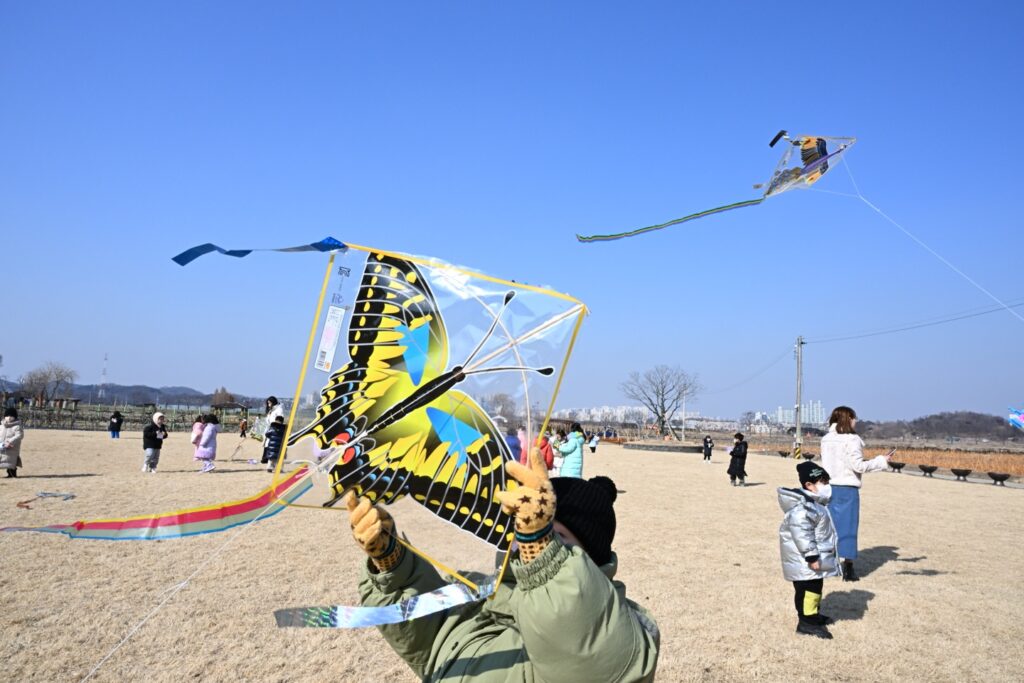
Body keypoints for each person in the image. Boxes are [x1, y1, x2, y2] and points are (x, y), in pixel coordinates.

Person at [346, 448, 660, 681]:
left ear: (589, 559)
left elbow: (589, 653)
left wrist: (545, 555)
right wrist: (391, 563)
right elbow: (430, 638)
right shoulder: (484, 594)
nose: (529, 537)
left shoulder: (618, 628)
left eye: (558, 535)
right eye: (529, 525)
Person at [819, 406, 891, 582]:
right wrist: (881, 461)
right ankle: (848, 567)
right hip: (847, 488)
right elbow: (858, 466)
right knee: (848, 528)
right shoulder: (852, 439)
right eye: (854, 418)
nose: (856, 421)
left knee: (828, 527)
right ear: (848, 419)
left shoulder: (826, 439)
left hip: (828, 487)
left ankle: (827, 563)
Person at [778, 461, 841, 639]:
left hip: (811, 560)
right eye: (823, 482)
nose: (827, 486)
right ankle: (806, 622)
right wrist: (811, 556)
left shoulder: (814, 503)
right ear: (809, 485)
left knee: (814, 588)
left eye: (827, 482)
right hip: (804, 561)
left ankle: (813, 615)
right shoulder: (803, 507)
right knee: (807, 591)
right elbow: (802, 534)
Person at [1, 408, 25, 478]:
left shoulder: (17, 426)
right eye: (7, 416)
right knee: (3, 459)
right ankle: (9, 473)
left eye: (11, 416)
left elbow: (19, 435)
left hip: (12, 447)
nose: (9, 417)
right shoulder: (2, 426)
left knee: (11, 460)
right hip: (2, 446)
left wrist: (10, 441)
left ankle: (12, 473)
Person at [262, 396, 285, 464]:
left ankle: (267, 458)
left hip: (275, 428)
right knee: (266, 443)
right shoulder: (271, 410)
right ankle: (265, 457)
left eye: (269, 403)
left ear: (273, 402)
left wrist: (275, 425)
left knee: (271, 443)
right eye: (268, 403)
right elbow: (268, 419)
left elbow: (280, 419)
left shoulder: (279, 409)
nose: (268, 405)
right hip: (269, 427)